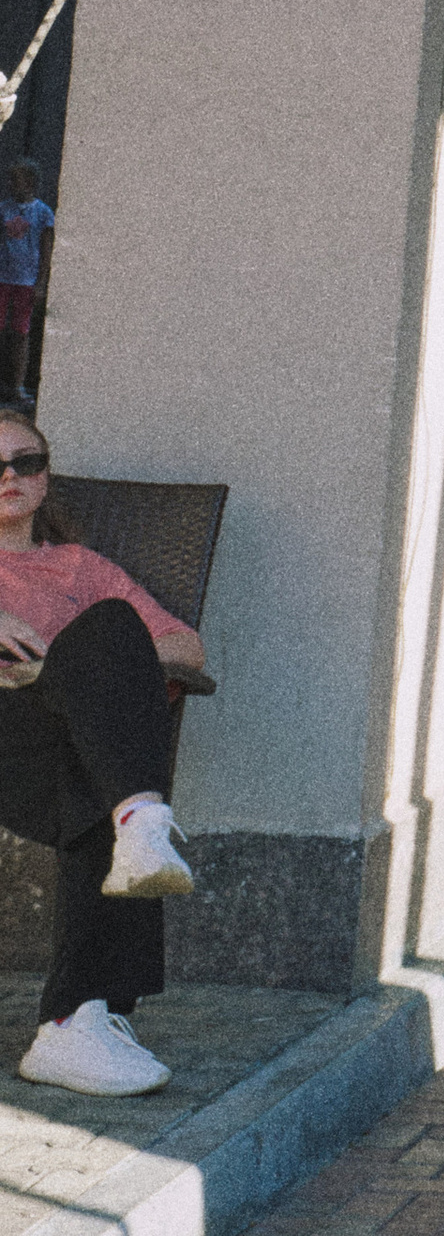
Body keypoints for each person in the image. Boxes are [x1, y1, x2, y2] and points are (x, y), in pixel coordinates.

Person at [0, 406, 203, 1096]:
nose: (9, 476)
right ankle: (88, 1014)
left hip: (64, 745)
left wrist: (70, 666)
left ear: (46, 477)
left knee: (112, 635)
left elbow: (185, 649)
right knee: (106, 766)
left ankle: (76, 1018)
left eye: (25, 461)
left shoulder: (80, 566)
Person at [0, 163, 54, 399]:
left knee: (21, 332)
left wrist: (41, 282)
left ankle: (18, 385)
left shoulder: (43, 213)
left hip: (26, 280)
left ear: (31, 182)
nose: (13, 184)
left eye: (18, 179)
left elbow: (46, 248)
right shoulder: (3, 208)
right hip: (2, 277)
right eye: (11, 179)